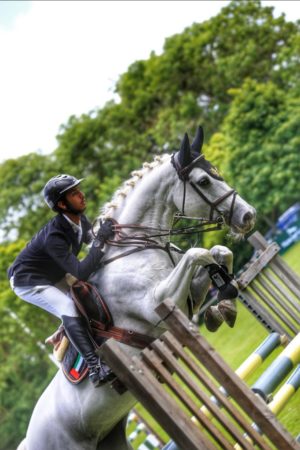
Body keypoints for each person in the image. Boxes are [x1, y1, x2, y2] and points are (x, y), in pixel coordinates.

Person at [8, 174, 115, 387]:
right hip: (28, 280)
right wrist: (101, 240)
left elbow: (92, 244)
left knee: (87, 290)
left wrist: (103, 236)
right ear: (62, 204)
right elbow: (81, 271)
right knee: (67, 304)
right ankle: (95, 368)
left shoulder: (79, 221)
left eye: (78, 190)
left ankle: (62, 332)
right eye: (74, 193)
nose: (81, 195)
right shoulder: (53, 237)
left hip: (52, 273)